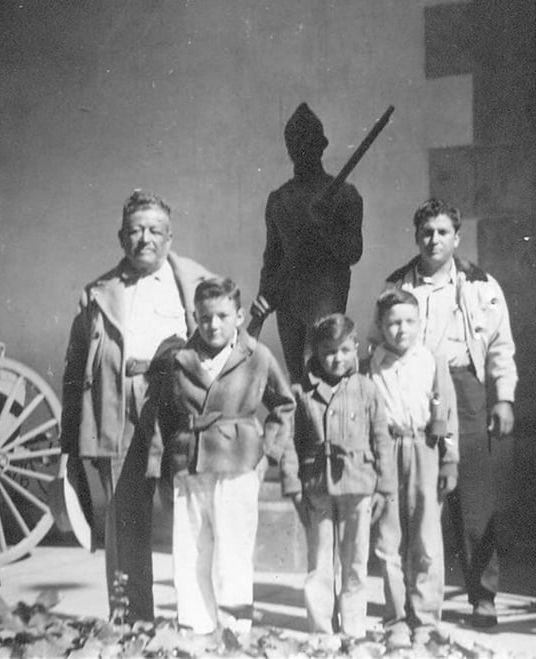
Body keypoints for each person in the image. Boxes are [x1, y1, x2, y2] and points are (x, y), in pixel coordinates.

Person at [61, 190, 212, 624]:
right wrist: (70, 439)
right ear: (120, 237)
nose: (144, 238)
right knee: (125, 519)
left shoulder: (198, 282)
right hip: (118, 408)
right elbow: (74, 370)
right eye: (135, 230)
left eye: (154, 230)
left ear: (170, 237)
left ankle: (198, 621)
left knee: (191, 514)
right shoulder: (97, 293)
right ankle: (132, 624)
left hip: (177, 407)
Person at [380, 197, 517, 628]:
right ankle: (412, 602)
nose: (433, 239)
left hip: (465, 388)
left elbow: (500, 346)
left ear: (456, 238)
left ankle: (484, 596)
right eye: (426, 232)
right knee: (415, 497)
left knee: (474, 496)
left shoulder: (481, 285)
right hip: (415, 390)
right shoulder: (397, 286)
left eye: (442, 232)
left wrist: (503, 397)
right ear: (416, 236)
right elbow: (376, 345)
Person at [153, 277, 294, 638]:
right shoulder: (180, 360)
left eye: (222, 316)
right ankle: (196, 626)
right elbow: (166, 414)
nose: (213, 325)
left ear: (239, 315)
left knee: (233, 550)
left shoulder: (255, 355)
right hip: (190, 461)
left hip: (237, 461)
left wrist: (269, 451)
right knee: (191, 549)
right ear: (194, 317)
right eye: (204, 318)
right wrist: (171, 458)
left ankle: (234, 629)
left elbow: (284, 404)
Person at [281, 313, 394, 643]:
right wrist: (291, 483)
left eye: (345, 350)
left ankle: (353, 629)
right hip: (317, 486)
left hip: (359, 485)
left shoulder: (367, 389)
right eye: (328, 351)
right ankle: (321, 631)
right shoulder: (301, 393)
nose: (337, 358)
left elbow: (381, 439)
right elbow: (289, 441)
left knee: (355, 561)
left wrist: (384, 485)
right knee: (320, 562)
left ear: (356, 347)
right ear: (315, 352)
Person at [369, 289, 459, 650]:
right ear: (380, 326)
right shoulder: (371, 363)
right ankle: (395, 620)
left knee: (425, 538)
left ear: (419, 323)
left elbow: (447, 414)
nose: (401, 329)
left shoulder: (431, 361)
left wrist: (450, 460)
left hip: (425, 450)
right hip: (386, 453)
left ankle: (425, 620)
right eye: (392, 322)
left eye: (408, 321)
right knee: (388, 541)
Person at [250, 102, 363, 382]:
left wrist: (324, 224)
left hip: (326, 299)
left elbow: (353, 251)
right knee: (297, 381)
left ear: (322, 145)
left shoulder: (344, 195)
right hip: (288, 302)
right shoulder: (279, 199)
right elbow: (272, 259)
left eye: (309, 142)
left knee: (328, 375)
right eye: (295, 143)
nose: (301, 149)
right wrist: (264, 300)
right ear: (288, 148)